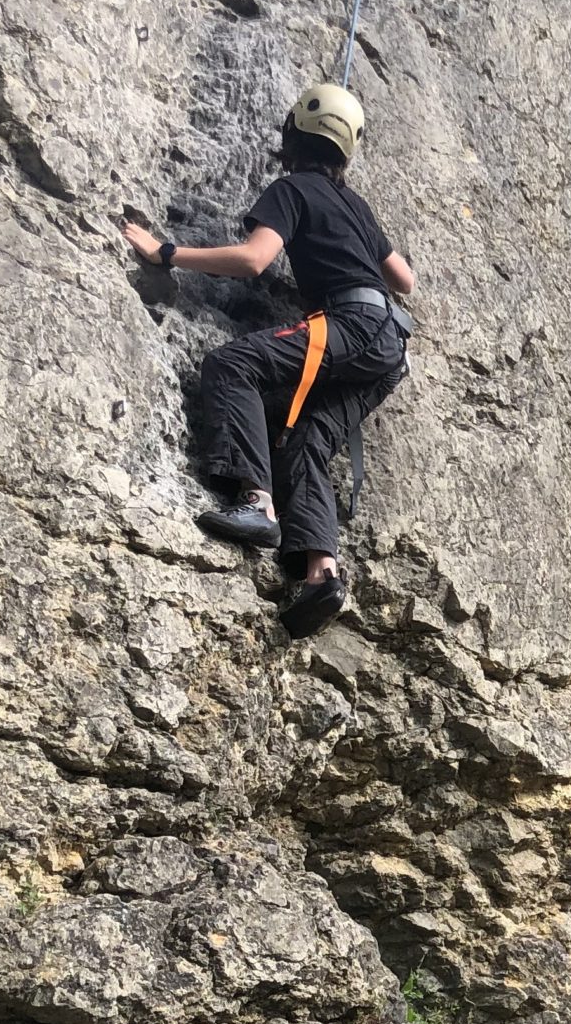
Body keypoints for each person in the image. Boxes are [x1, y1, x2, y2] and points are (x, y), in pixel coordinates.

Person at [120, 83, 414, 638]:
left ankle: (257, 503)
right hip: (389, 347)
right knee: (305, 439)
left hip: (349, 325)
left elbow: (255, 260)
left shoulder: (292, 189)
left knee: (233, 366)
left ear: (293, 135)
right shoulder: (356, 206)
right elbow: (404, 279)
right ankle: (322, 574)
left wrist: (167, 253)